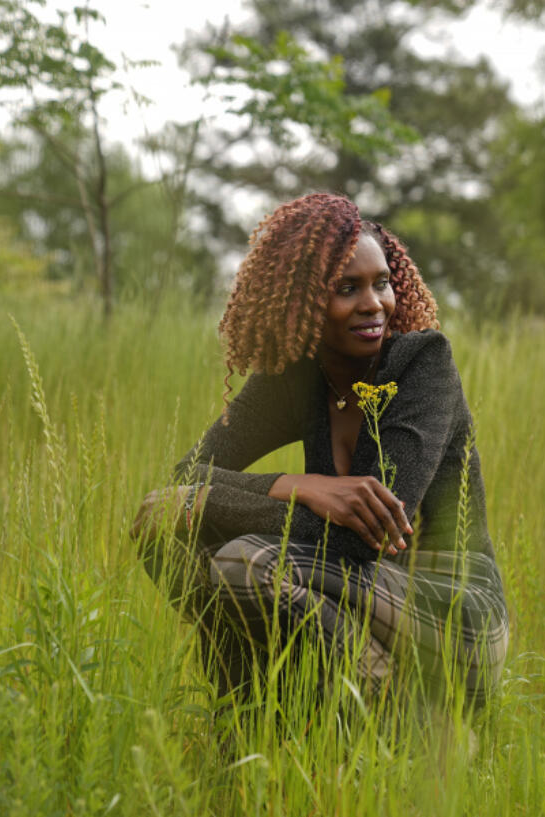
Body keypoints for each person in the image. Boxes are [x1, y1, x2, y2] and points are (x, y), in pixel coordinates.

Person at [134, 192, 508, 707]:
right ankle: (254, 717)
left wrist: (204, 503)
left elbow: (365, 538)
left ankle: (391, 705)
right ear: (301, 300)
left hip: (451, 608)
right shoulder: (295, 379)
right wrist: (296, 486)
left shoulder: (423, 365)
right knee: (157, 523)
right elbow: (186, 477)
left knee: (245, 560)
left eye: (381, 284)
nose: (373, 303)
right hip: (355, 589)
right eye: (346, 289)